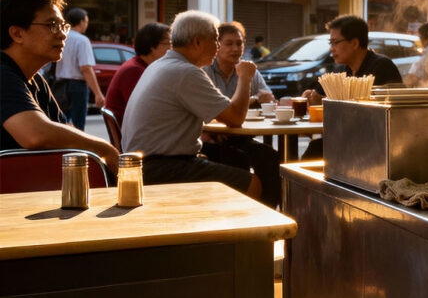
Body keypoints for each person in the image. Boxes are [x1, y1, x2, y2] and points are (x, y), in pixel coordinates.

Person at [121, 10, 261, 200]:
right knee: (252, 184)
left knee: (237, 159)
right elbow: (235, 118)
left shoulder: (160, 65)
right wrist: (245, 78)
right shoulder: (186, 72)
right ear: (197, 41)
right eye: (215, 39)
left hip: (144, 163)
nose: (218, 46)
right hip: (162, 167)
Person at [1, 0, 119, 167]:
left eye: (63, 26)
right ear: (17, 33)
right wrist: (104, 149)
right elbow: (35, 134)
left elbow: (63, 129)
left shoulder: (37, 80)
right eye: (52, 25)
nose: (63, 34)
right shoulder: (3, 74)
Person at [300, 15, 403, 159]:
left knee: (316, 152)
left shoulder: (382, 67)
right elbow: (321, 97)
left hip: (376, 143)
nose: (331, 49)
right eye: (330, 43)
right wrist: (313, 99)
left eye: (335, 42)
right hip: (346, 139)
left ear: (354, 43)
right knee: (314, 150)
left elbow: (385, 114)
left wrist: (326, 102)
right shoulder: (342, 71)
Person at [201, 21, 281, 206]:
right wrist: (253, 99)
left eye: (239, 43)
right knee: (237, 160)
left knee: (271, 158)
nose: (235, 49)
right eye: (229, 44)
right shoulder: (205, 70)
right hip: (211, 139)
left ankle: (268, 214)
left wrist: (263, 98)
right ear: (217, 46)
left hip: (240, 137)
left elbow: (268, 98)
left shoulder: (247, 69)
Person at [104, 23, 171, 123]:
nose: (171, 48)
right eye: (168, 43)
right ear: (152, 46)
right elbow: (146, 109)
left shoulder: (141, 66)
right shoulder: (134, 70)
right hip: (135, 133)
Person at [54, 7, 104, 129]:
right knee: (78, 124)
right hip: (77, 86)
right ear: (81, 22)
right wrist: (98, 93)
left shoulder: (61, 36)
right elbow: (86, 68)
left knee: (60, 122)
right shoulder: (82, 40)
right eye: (86, 22)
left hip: (60, 84)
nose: (86, 25)